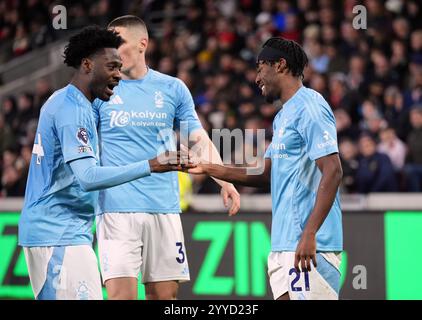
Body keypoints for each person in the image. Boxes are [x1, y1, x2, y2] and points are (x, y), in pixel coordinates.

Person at [18, 26, 189, 300]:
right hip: (56, 232)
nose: (118, 75)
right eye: (111, 66)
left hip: (68, 231)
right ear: (87, 64)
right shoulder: (72, 109)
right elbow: (87, 176)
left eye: (120, 68)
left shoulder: (76, 104)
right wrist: (151, 165)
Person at [92, 15, 240, 300]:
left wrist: (225, 181)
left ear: (142, 44)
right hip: (116, 211)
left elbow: (198, 139)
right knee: (122, 297)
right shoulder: (101, 90)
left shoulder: (172, 88)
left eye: (118, 42)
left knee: (165, 299)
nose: (111, 51)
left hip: (164, 208)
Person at [187, 37, 343, 300]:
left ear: (280, 65)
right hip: (283, 245)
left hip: (310, 244)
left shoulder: (310, 106)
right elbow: (266, 174)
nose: (257, 78)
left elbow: (333, 169)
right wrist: (210, 168)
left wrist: (309, 233)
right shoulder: (283, 116)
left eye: (260, 68)